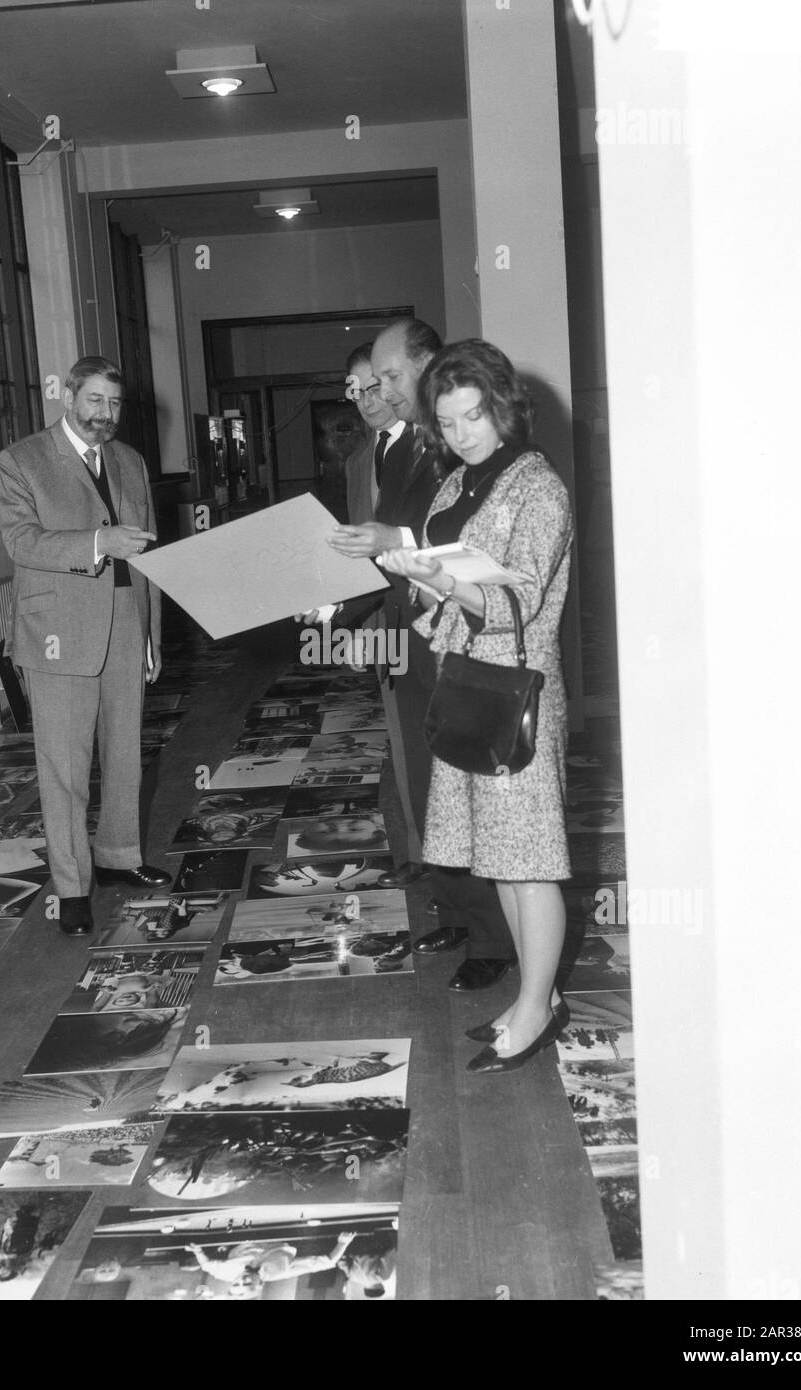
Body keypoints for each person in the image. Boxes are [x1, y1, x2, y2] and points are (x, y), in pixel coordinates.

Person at [378, 339, 574, 1072]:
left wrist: (450, 584)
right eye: (448, 421)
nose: (462, 434)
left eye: (474, 416)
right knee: (499, 860)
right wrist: (418, 577)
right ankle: (537, 996)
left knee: (530, 862)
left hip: (514, 691)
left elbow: (523, 597)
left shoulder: (536, 486)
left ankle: (535, 1009)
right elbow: (446, 588)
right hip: (464, 681)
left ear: (502, 407)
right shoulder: (454, 481)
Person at [330, 320, 517, 993]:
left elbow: (472, 540)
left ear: (426, 363)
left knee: (470, 790)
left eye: (387, 378)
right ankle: (460, 910)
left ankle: (497, 937)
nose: (380, 391)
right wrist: (333, 606)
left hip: (460, 639)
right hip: (412, 634)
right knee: (429, 787)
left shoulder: (466, 441)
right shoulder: (411, 443)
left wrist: (394, 536)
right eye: (373, 381)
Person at [0, 355, 171, 937]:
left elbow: (148, 558)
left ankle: (120, 856)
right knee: (65, 767)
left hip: (126, 622)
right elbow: (23, 542)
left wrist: (150, 632)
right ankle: (71, 888)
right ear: (67, 398)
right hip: (58, 631)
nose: (105, 414)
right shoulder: (20, 461)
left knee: (124, 754)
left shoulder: (131, 461)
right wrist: (99, 541)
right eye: (94, 400)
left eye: (114, 403)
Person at [185, 1233, 357, 1299]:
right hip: (278, 1229)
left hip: (244, 1230)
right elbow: (325, 1263)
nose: (242, 1280)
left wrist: (198, 1251)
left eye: (237, 1284)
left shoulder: (224, 1274)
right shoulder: (280, 1271)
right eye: (247, 1284)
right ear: (259, 1285)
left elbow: (206, 1265)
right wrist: (343, 1243)